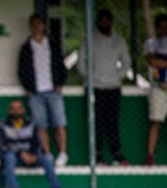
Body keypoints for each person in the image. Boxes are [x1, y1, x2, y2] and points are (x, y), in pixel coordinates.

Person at [77, 9, 131, 164]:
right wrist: (92, 77)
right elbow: (81, 63)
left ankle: (117, 154)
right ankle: (97, 154)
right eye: (102, 21)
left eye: (108, 20)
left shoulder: (119, 41)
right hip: (95, 88)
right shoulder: (89, 39)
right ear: (98, 22)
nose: (105, 23)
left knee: (113, 122)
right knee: (96, 122)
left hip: (113, 87)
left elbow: (126, 62)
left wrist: (117, 76)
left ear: (112, 22)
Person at [18, 14, 69, 166]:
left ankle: (62, 153)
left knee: (59, 122)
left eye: (39, 24)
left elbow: (61, 64)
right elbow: (21, 69)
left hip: (53, 90)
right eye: (33, 24)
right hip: (36, 92)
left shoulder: (52, 44)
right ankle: (47, 154)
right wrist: (28, 87)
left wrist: (60, 82)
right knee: (41, 125)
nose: (36, 27)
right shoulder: (26, 47)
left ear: (43, 26)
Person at [0, 99, 66, 188]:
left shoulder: (31, 123)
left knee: (47, 159)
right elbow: (4, 145)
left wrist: (33, 154)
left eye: (19, 109)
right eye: (13, 109)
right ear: (9, 111)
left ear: (23, 110)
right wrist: (21, 153)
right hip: (16, 157)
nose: (16, 111)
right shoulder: (2, 124)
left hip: (31, 156)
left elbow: (36, 142)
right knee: (9, 157)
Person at [143, 13, 167, 166]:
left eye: (166, 26)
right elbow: (151, 60)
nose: (163, 30)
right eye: (160, 27)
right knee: (156, 121)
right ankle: (150, 156)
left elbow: (159, 61)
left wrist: (162, 62)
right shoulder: (151, 43)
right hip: (159, 87)